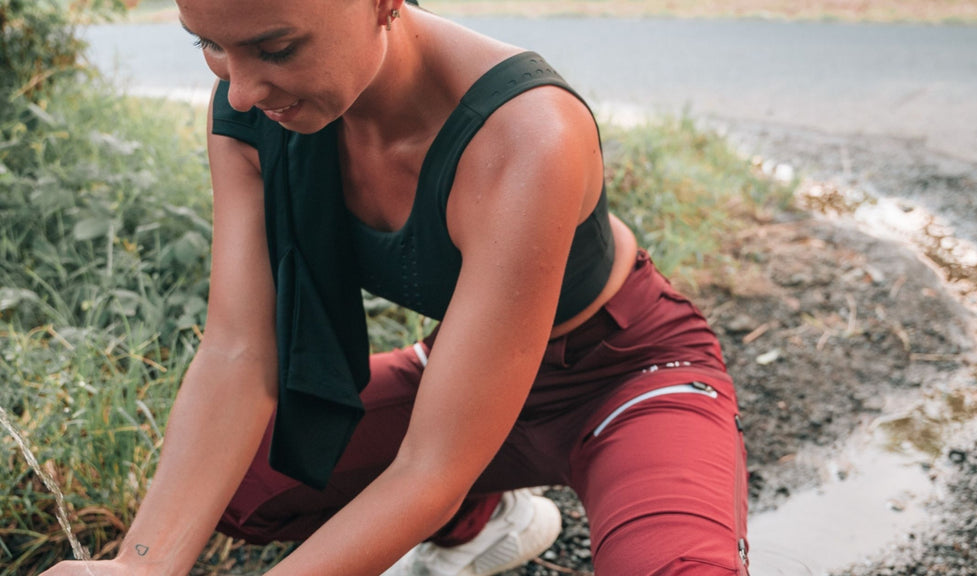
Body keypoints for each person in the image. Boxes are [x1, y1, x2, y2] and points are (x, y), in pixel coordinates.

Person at [43, 0, 749, 574]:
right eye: (209, 46)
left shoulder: (527, 132)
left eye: (276, 48)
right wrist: (140, 565)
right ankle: (477, 522)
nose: (242, 88)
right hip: (465, 372)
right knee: (245, 484)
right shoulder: (252, 114)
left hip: (625, 378)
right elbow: (237, 354)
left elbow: (430, 465)